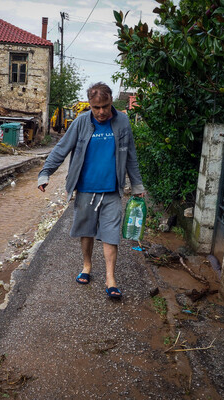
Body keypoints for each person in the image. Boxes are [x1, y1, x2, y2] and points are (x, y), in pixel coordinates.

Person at [38, 82, 145, 299]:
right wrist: (45, 172)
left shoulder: (122, 122)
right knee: (86, 231)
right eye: (96, 108)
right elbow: (61, 148)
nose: (101, 112)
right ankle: (87, 266)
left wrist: (137, 185)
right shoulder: (80, 122)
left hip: (112, 190)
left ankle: (111, 279)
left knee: (111, 234)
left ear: (111, 102)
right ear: (90, 104)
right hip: (86, 189)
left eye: (105, 106)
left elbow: (130, 155)